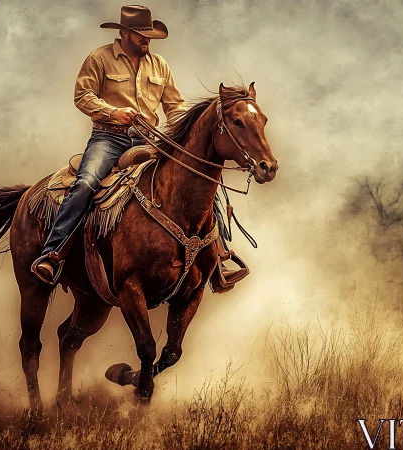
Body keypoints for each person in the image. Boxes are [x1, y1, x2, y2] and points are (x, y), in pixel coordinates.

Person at [32, 5, 248, 290]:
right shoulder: (99, 58)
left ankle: (216, 261)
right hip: (108, 138)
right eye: (140, 35)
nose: (146, 40)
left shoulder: (159, 65)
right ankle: (53, 253)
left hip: (149, 140)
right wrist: (113, 112)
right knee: (85, 183)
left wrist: (185, 136)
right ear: (124, 33)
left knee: (200, 185)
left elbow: (174, 106)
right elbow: (82, 96)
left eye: (149, 35)